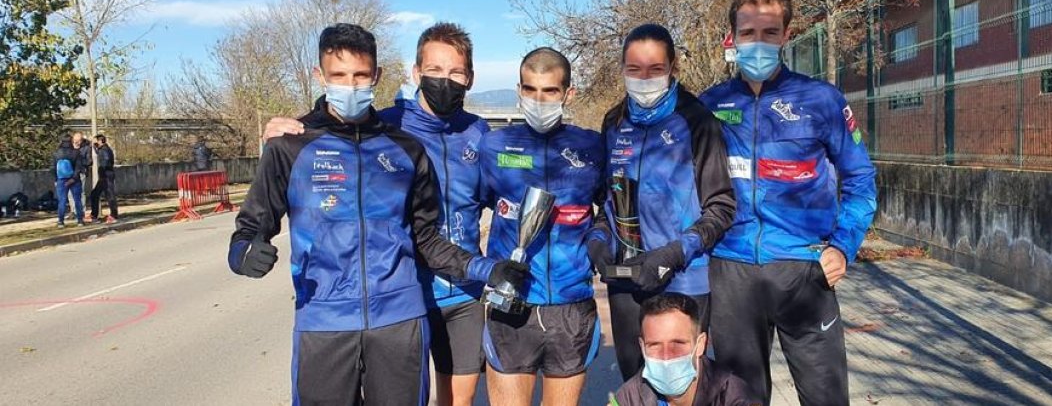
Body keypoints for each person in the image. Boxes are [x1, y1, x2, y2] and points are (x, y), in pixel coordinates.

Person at [228, 23, 529, 406]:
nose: (350, 85)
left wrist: (490, 270)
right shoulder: (289, 146)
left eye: (360, 75)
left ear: (377, 76)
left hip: (400, 320)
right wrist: (244, 254)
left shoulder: (405, 148)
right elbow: (250, 228)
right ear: (319, 75)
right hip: (323, 321)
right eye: (338, 76)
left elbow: (428, 240)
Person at [698, 0, 878, 406]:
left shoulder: (822, 100)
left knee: (825, 398)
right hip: (731, 271)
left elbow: (860, 181)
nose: (757, 43)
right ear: (733, 37)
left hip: (804, 270)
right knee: (740, 398)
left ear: (786, 36)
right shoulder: (709, 105)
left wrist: (842, 247)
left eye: (769, 33)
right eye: (748, 34)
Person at [590, 24, 735, 381]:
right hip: (626, 280)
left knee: (681, 384)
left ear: (673, 69)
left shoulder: (698, 121)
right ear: (622, 69)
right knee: (635, 382)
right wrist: (597, 242)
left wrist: (673, 254)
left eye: (655, 70)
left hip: (683, 278)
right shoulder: (613, 121)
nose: (644, 78)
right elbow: (609, 203)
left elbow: (721, 207)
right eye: (634, 69)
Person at [479, 47, 605, 406]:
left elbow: (608, 207)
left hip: (571, 305)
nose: (539, 99)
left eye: (549, 91)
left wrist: (597, 241)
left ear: (568, 94)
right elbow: (475, 204)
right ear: (519, 90)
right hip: (512, 304)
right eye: (530, 89)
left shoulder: (591, 147)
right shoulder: (494, 145)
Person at [611, 293, 759, 406]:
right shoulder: (629, 398)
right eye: (655, 345)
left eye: (678, 343)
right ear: (642, 347)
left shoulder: (736, 397)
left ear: (700, 344)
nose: (666, 356)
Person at [53, 136, 83, 228]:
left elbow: (53, 168)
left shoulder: (56, 154)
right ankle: (80, 221)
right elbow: (78, 167)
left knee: (62, 201)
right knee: (77, 200)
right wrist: (73, 178)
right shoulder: (76, 152)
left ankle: (61, 221)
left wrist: (56, 179)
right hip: (74, 179)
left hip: (61, 180)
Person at [88, 134, 119, 223]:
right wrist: (94, 146)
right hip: (105, 175)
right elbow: (99, 153)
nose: (95, 143)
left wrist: (103, 168)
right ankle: (94, 214)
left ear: (100, 141)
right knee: (95, 194)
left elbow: (105, 160)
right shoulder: (104, 149)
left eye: (96, 141)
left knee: (109, 195)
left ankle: (113, 215)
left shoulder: (105, 150)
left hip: (106, 175)